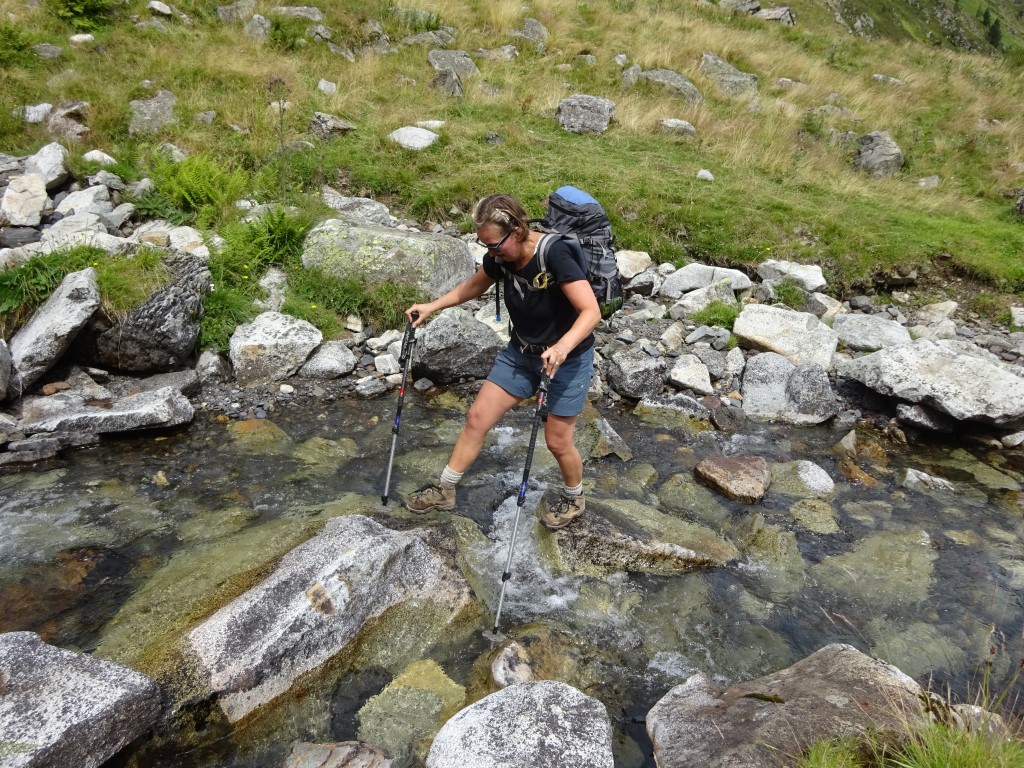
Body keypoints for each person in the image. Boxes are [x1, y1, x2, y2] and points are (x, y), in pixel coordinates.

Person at [402, 193, 601, 529]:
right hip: (520, 354)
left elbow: (590, 311)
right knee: (477, 418)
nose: (491, 254)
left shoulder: (555, 254)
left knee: (557, 440)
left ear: (518, 231)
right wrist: (431, 307)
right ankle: (445, 489)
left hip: (567, 360)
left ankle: (574, 497)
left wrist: (563, 347)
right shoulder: (500, 256)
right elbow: (473, 286)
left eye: (494, 245)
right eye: (485, 246)